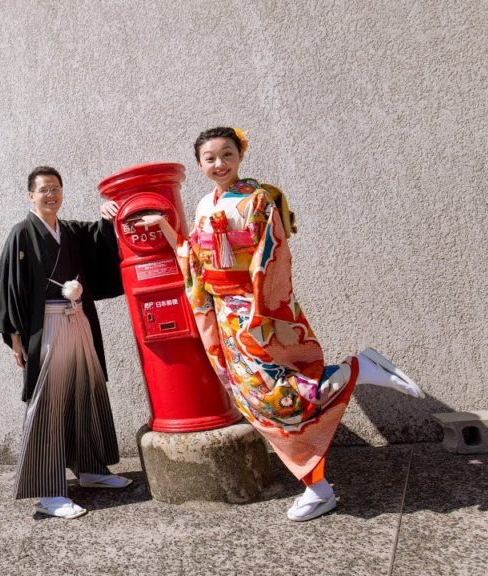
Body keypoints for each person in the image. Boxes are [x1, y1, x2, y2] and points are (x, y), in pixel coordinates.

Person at [133, 127, 424, 522]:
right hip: (224, 315)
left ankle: (353, 373)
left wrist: (259, 309)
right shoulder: (205, 204)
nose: (220, 164)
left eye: (227, 154)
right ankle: (317, 484)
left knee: (276, 400)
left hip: (252, 313)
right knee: (256, 401)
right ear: (200, 164)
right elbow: (194, 259)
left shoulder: (258, 200)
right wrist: (163, 226)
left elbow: (271, 257)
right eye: (210, 158)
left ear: (240, 155)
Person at [0, 166, 130, 519]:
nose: (50, 195)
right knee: (48, 403)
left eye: (55, 188)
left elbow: (99, 243)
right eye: (43, 190)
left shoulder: (69, 231)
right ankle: (47, 490)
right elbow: (7, 287)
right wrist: (16, 338)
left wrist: (106, 218)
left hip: (78, 317)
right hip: (47, 324)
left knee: (86, 390)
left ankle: (91, 469)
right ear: (30, 195)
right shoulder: (22, 233)